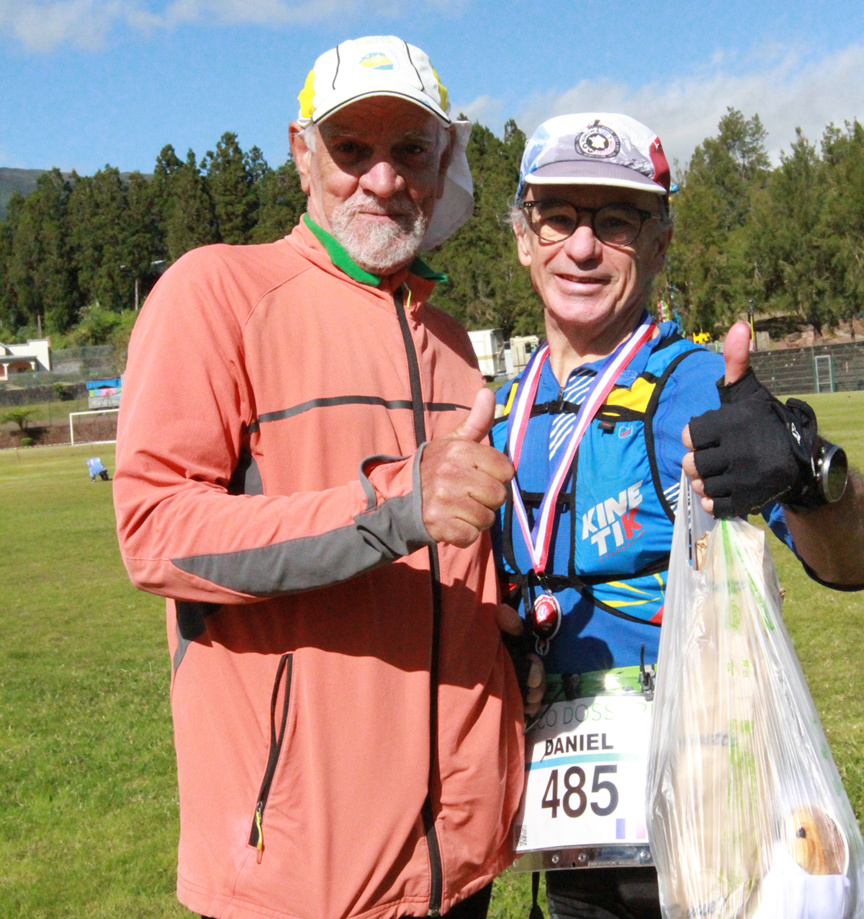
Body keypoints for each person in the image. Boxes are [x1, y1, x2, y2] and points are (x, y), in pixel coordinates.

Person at [114, 35, 531, 919]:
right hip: (300, 882)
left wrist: (509, 646)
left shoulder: (455, 347)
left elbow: (451, 584)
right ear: (302, 154)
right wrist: (390, 509)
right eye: (352, 149)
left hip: (463, 870)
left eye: (411, 149)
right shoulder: (216, 292)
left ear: (442, 162)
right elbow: (156, 532)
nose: (383, 178)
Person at [490, 112, 864, 919]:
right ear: (524, 237)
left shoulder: (694, 387)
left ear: (659, 243)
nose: (582, 247)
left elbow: (850, 561)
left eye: (616, 221)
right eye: (559, 216)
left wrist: (810, 475)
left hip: (704, 811)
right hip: (566, 821)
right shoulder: (499, 409)